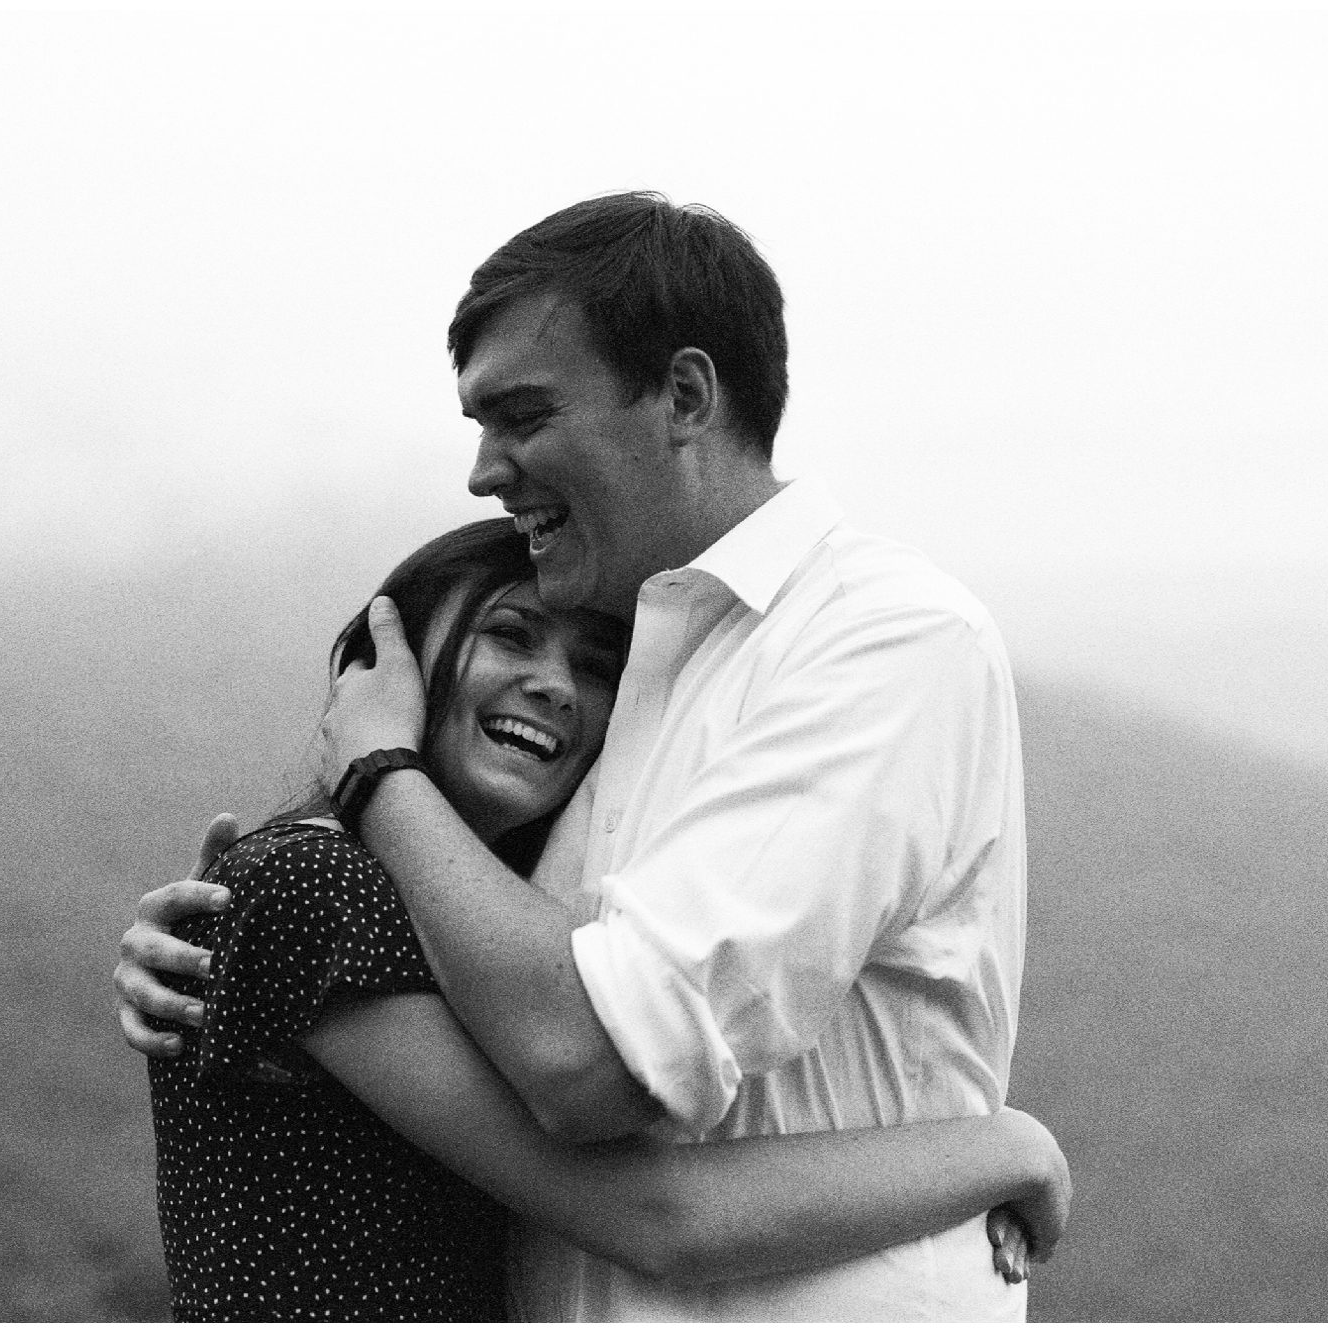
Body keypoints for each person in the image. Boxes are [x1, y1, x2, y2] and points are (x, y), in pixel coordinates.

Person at [121, 193, 1043, 1320]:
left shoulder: (881, 640)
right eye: (507, 638)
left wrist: (374, 779)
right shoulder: (637, 669)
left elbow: (585, 1057)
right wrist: (233, 927)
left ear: (685, 397)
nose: (482, 469)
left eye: (520, 415)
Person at [146, 517, 1066, 1321]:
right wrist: (1006, 1148)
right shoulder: (313, 886)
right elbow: (663, 1218)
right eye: (509, 638)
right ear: (389, 673)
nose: (555, 686)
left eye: (595, 667)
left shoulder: (465, 920)